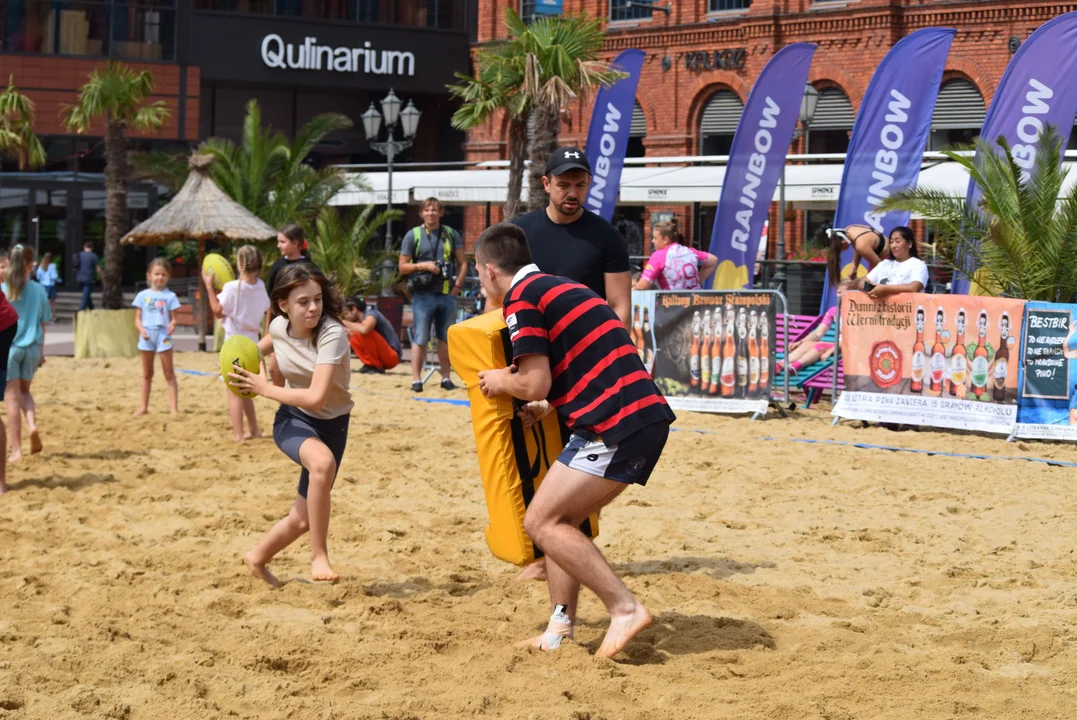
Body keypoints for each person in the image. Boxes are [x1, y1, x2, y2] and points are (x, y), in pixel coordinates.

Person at [473, 222, 676, 659]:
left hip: (617, 421)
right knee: (560, 520)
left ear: (489, 271)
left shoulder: (522, 297)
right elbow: (580, 363)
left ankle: (624, 608)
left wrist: (500, 380)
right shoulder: (561, 287)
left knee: (540, 522)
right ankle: (560, 627)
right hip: (633, 415)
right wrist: (550, 406)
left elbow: (535, 380)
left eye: (478, 275)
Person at [227, 264, 353, 587]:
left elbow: (316, 396)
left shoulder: (332, 334)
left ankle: (256, 558)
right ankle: (319, 556)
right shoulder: (281, 328)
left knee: (300, 520)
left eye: (318, 299)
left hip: (333, 426)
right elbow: (252, 350)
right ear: (283, 305)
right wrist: (236, 368)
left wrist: (263, 388)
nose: (313, 308)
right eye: (303, 302)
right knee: (322, 463)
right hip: (292, 420)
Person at [510, 147, 631, 328]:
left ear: (589, 183)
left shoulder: (608, 236)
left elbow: (620, 306)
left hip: (585, 346)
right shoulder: (519, 232)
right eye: (564, 185)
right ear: (546, 184)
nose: (573, 194)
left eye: (580, 185)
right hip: (529, 344)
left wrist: (613, 352)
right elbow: (499, 298)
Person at [203, 245, 272, 442]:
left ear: (240, 264)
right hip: (253, 343)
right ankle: (254, 429)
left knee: (234, 391)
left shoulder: (232, 288)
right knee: (247, 389)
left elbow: (217, 311)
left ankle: (238, 435)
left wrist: (209, 287)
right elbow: (268, 308)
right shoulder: (260, 286)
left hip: (234, 343)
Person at [399, 197, 468, 392]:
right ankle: (416, 380)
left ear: (441, 213)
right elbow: (402, 266)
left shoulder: (451, 234)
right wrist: (424, 266)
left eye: (434, 210)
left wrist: (457, 286)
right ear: (422, 213)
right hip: (422, 295)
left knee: (445, 339)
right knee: (420, 338)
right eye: (427, 210)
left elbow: (463, 262)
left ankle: (446, 378)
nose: (431, 213)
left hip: (447, 294)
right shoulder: (413, 235)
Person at [3, 245, 50, 462]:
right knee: (25, 392)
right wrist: (41, 352)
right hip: (32, 348)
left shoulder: (4, 289)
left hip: (9, 348)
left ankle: (16, 450)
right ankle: (32, 425)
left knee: (11, 399)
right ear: (31, 265)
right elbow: (43, 324)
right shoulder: (39, 290)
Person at [266, 225, 321, 388]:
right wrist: (268, 325)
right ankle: (283, 403)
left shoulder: (310, 267)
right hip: (281, 324)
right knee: (274, 369)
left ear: (296, 243)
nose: (279, 245)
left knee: (301, 370)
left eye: (282, 242)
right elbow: (272, 300)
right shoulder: (277, 266)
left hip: (304, 327)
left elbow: (320, 296)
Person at [133, 258, 181, 416]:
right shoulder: (142, 295)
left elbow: (173, 318)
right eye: (156, 274)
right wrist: (141, 329)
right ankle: (143, 406)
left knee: (169, 372)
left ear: (168, 277)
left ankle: (173, 408)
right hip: (147, 335)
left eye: (163, 274)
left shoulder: (170, 296)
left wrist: (173, 324)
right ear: (149, 275)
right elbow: (137, 318)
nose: (159, 277)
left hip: (163, 335)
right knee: (147, 373)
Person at [838, 226, 928, 300]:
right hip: (883, 318)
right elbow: (864, 281)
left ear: (909, 244)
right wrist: (848, 285)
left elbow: (914, 287)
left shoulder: (918, 265)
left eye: (898, 241)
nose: (893, 246)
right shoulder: (884, 264)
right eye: (891, 242)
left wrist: (885, 289)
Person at [634, 219, 718, 291]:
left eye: (655, 238)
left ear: (665, 240)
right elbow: (713, 260)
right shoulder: (689, 251)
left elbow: (643, 285)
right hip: (696, 301)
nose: (653, 241)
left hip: (672, 304)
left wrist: (632, 290)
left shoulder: (659, 255)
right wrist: (697, 280)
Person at [342, 295, 401, 373]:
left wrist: (342, 322)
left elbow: (364, 329)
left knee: (358, 331)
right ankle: (369, 364)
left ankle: (374, 365)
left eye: (346, 313)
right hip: (384, 355)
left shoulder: (371, 313)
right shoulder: (361, 320)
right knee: (352, 333)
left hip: (392, 355)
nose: (346, 317)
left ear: (354, 309)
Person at [776, 305, 838, 377]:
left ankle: (795, 366)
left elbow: (850, 341)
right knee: (807, 344)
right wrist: (800, 342)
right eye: (837, 292)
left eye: (840, 292)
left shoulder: (853, 312)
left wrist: (829, 351)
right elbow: (818, 333)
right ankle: (780, 365)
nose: (837, 293)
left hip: (848, 346)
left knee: (820, 345)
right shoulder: (833, 311)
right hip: (838, 344)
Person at [827, 224, 889, 288]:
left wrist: (859, 281)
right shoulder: (850, 229)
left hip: (887, 260)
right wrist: (854, 267)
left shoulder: (861, 245)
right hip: (880, 255)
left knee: (864, 285)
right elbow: (856, 245)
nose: (842, 251)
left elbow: (879, 266)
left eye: (841, 250)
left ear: (844, 242)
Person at [74, 241, 99, 312]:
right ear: (92, 248)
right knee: (85, 296)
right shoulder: (94, 256)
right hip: (89, 278)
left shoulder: (79, 255)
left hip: (79, 278)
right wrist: (101, 275)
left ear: (84, 247)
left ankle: (92, 309)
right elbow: (97, 268)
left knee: (87, 294)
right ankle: (81, 310)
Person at [35, 253, 58, 318]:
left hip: (43, 284)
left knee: (43, 301)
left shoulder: (41, 266)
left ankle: (43, 316)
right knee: (52, 302)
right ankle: (54, 316)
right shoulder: (52, 266)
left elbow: (38, 277)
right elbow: (54, 276)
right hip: (50, 284)